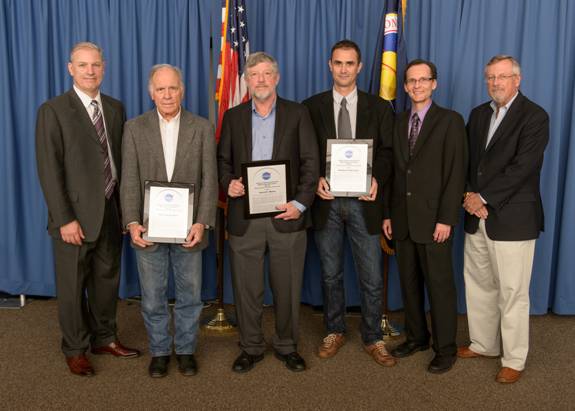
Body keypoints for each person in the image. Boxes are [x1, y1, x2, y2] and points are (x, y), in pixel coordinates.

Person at [35, 42, 140, 377]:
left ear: (104, 67)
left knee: (106, 281)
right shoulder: (53, 110)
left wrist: (126, 212)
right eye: (83, 65)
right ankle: (76, 348)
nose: (90, 71)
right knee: (71, 285)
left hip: (110, 211)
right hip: (74, 218)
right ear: (71, 69)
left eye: (95, 65)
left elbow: (119, 162)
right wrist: (64, 218)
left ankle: (105, 338)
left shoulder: (114, 107)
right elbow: (49, 170)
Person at [218, 52, 319, 373]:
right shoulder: (233, 116)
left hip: (285, 216)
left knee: (288, 286)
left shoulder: (298, 113)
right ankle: (251, 346)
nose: (260, 80)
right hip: (244, 218)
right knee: (247, 289)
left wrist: (300, 203)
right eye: (254, 75)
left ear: (276, 78)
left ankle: (287, 345)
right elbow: (221, 162)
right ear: (246, 80)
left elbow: (310, 163)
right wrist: (228, 184)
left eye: (266, 74)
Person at [120, 64, 217, 378]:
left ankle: (186, 350)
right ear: (151, 93)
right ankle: (160, 350)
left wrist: (202, 222)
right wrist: (132, 222)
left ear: (182, 90)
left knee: (190, 295)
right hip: (148, 230)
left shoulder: (201, 127)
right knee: (152, 297)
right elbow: (130, 181)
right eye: (160, 89)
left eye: (172, 88)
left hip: (190, 229)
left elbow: (209, 180)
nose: (167, 94)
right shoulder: (134, 128)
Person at [302, 40, 395, 366]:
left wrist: (376, 179)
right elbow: (305, 152)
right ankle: (334, 329)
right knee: (330, 274)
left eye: (350, 63)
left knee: (370, 275)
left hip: (364, 202)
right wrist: (314, 181)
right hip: (326, 202)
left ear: (359, 67)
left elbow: (386, 152)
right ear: (330, 65)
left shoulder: (380, 108)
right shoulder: (310, 106)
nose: (344, 69)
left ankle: (373, 337)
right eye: (338, 63)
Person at [459, 55, 549, 384]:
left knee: (512, 291)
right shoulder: (479, 114)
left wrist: (483, 198)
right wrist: (469, 197)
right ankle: (483, 343)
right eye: (490, 78)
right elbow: (467, 162)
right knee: (479, 285)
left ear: (517, 80)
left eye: (502, 77)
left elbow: (523, 167)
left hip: (513, 218)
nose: (496, 83)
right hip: (476, 214)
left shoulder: (535, 116)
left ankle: (514, 359)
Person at [383, 59, 467, 374]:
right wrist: (389, 214)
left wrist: (446, 219)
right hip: (403, 220)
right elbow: (394, 172)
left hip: (435, 222)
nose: (417, 85)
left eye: (423, 80)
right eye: (411, 81)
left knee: (440, 287)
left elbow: (455, 173)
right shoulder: (398, 120)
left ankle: (444, 348)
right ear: (404, 86)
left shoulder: (450, 121)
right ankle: (417, 337)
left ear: (434, 83)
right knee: (409, 284)